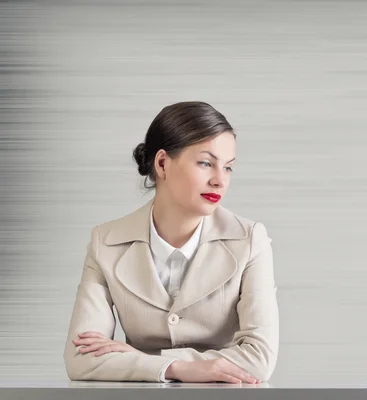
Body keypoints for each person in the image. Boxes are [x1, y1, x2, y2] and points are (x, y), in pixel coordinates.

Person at [63, 101, 279, 383]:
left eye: (228, 168)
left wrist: (143, 360)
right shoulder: (106, 242)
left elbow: (259, 359)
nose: (219, 181)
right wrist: (176, 368)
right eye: (205, 163)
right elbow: (80, 360)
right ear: (163, 163)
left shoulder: (249, 240)